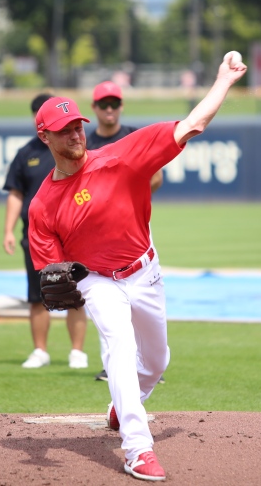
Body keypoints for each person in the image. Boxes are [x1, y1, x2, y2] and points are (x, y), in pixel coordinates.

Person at [28, 57, 247, 481]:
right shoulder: (42, 206)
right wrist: (57, 280)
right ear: (45, 137)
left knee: (158, 361)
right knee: (119, 350)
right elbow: (52, 272)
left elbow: (191, 125)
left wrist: (223, 80)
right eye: (64, 130)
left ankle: (122, 404)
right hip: (96, 280)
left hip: (145, 271)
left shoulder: (123, 156)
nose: (76, 133)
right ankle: (137, 447)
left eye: (78, 125)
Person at [3, 93, 88, 369]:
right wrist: (8, 230)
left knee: (77, 293)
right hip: (37, 235)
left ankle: (77, 351)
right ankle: (40, 350)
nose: (71, 133)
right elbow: (16, 194)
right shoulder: (25, 153)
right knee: (38, 294)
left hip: (74, 233)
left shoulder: (76, 147)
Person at [87, 80, 163, 383]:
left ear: (121, 105)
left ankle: (145, 367)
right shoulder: (85, 141)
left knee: (142, 303)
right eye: (103, 104)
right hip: (96, 236)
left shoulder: (133, 136)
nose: (109, 109)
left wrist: (127, 190)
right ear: (94, 107)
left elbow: (156, 176)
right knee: (106, 305)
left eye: (114, 103)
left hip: (134, 229)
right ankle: (113, 367)